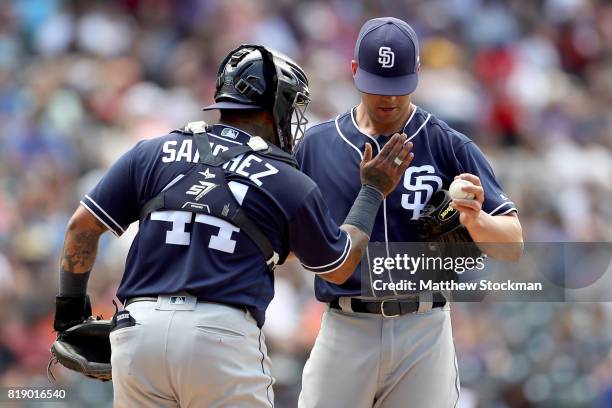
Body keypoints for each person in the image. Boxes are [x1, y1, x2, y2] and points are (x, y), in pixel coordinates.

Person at [52, 44, 414, 407]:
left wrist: (69, 314)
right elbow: (341, 266)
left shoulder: (153, 151)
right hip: (219, 336)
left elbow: (81, 228)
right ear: (276, 107)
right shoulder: (287, 180)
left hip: (138, 331)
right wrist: (372, 191)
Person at [296, 18, 523, 408]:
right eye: (378, 87)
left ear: (417, 74)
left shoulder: (447, 144)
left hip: (424, 326)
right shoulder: (317, 145)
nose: (389, 99)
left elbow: (513, 244)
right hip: (346, 324)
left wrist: (476, 221)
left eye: (399, 87)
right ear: (354, 71)